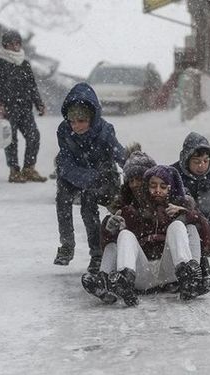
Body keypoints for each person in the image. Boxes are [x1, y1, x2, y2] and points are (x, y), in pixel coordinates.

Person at [81, 164, 210, 306]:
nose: (158, 190)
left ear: (171, 187)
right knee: (125, 234)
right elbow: (110, 245)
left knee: (178, 226)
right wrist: (109, 227)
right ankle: (125, 279)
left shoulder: (178, 207)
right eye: (153, 186)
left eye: (163, 186)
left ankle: (188, 274)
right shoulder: (132, 210)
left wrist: (187, 214)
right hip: (142, 272)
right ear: (146, 187)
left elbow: (208, 244)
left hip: (170, 271)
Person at [54, 82, 127, 273]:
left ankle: (97, 253)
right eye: (72, 120)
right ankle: (67, 244)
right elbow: (65, 162)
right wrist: (86, 177)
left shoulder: (105, 131)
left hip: (103, 177)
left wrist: (136, 167)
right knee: (62, 198)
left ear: (91, 117)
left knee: (88, 202)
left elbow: (119, 154)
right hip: (77, 175)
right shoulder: (64, 131)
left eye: (81, 120)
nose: (76, 126)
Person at [0, 30, 47, 183]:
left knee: (34, 135)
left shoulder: (24, 64)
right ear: (5, 45)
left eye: (17, 43)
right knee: (11, 139)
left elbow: (32, 86)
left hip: (25, 107)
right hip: (8, 108)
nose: (15, 46)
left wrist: (39, 103)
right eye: (11, 43)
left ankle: (29, 168)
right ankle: (14, 171)